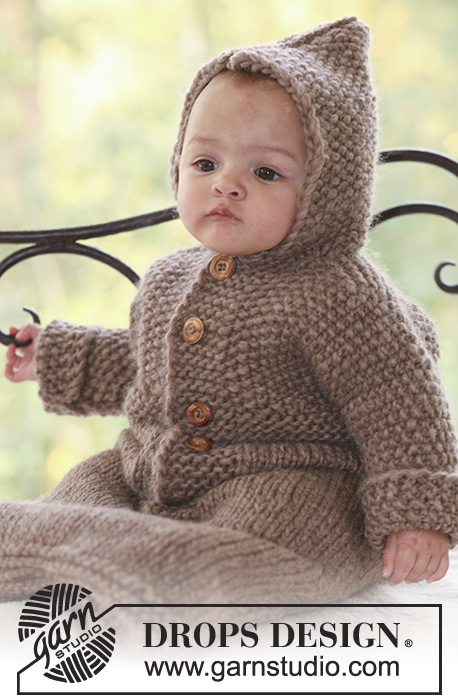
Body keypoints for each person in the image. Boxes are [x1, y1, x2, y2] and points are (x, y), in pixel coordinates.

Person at [2, 16, 457, 608]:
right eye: (205, 164)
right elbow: (151, 371)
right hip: (151, 475)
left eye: (264, 172)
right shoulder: (169, 277)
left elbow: (401, 402)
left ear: (327, 189)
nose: (226, 186)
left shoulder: (339, 293)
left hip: (292, 483)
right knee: (91, 483)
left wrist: (418, 513)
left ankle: (169, 568)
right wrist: (57, 357)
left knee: (272, 529)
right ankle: (73, 543)